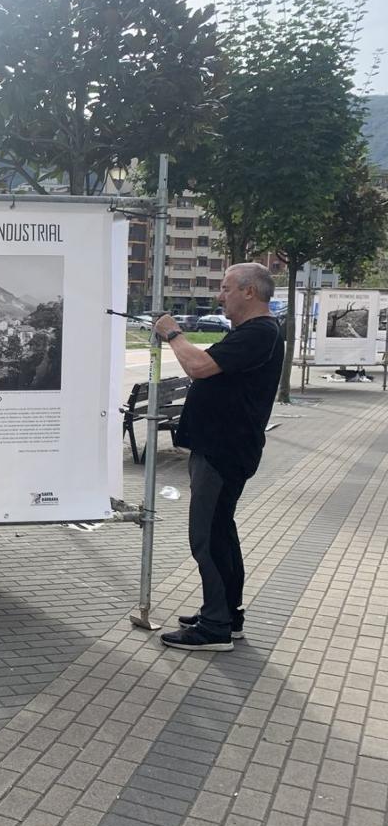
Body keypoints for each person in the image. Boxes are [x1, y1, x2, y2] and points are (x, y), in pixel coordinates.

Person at [154, 262, 284, 652]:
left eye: (226, 288)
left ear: (249, 291)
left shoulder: (259, 332)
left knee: (206, 537)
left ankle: (215, 628)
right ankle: (227, 612)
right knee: (221, 533)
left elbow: (199, 366)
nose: (219, 296)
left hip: (224, 451)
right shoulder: (251, 333)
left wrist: (173, 333)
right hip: (223, 448)